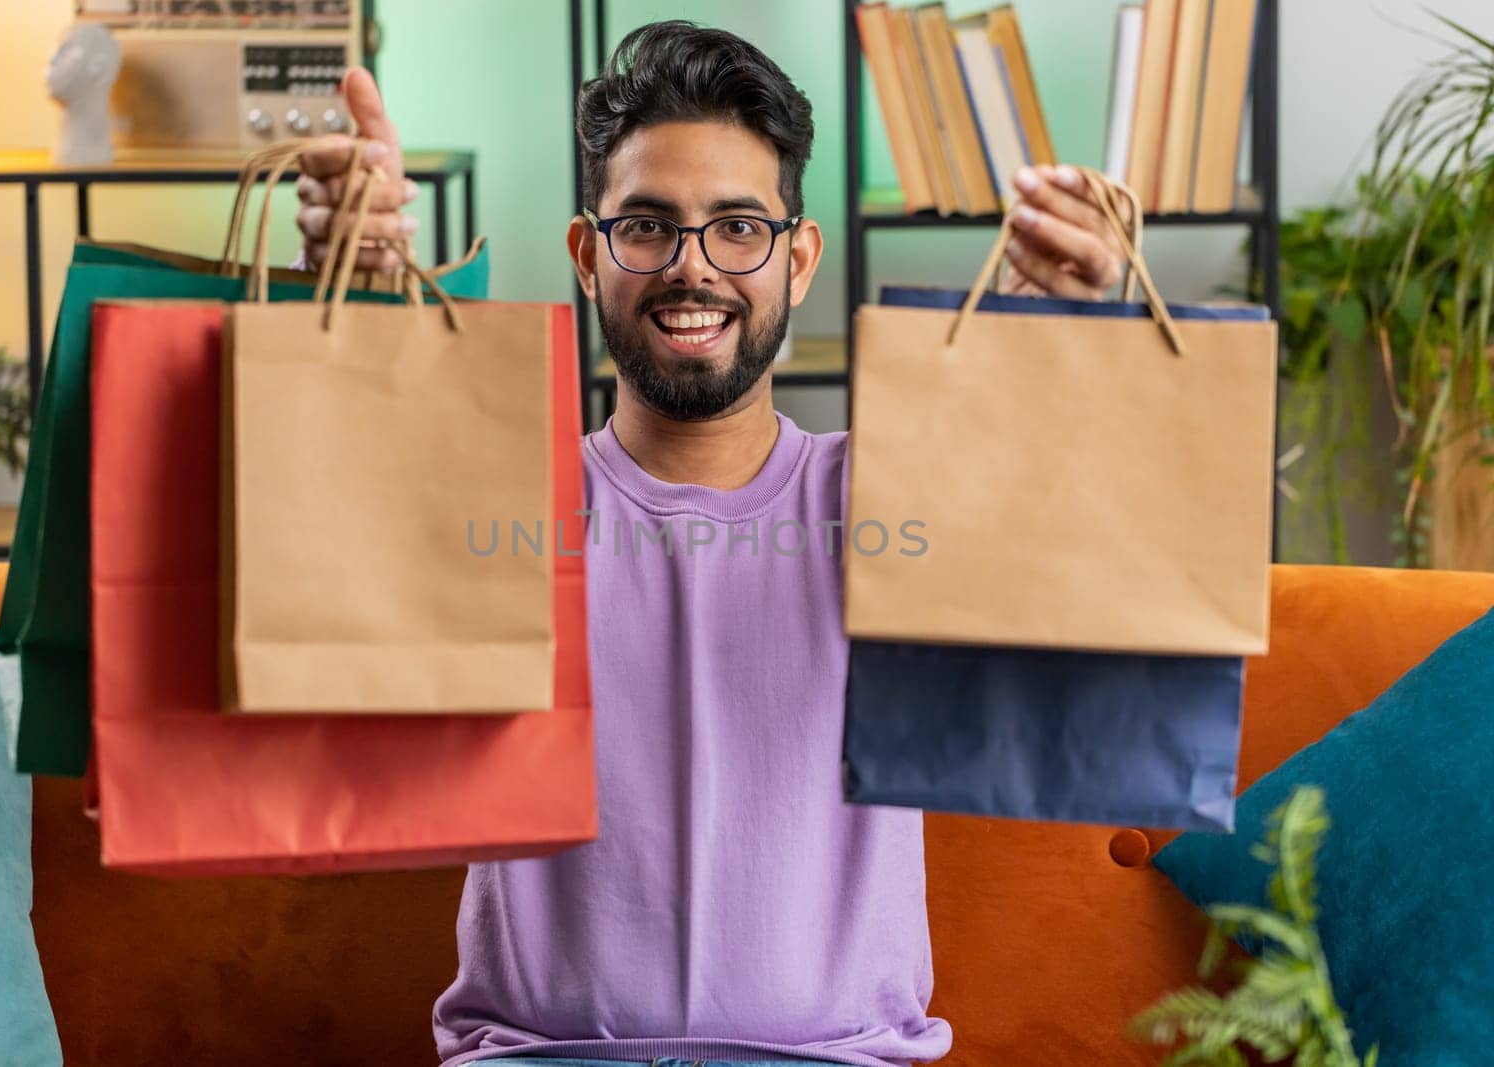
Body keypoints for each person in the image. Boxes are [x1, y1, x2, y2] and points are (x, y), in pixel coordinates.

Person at [295, 21, 1128, 1067]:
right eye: (646, 226)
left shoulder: (888, 495)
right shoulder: (501, 492)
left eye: (738, 227)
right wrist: (343, 300)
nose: (693, 268)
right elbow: (329, 527)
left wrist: (1058, 353)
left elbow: (1059, 558)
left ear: (799, 256)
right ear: (586, 253)